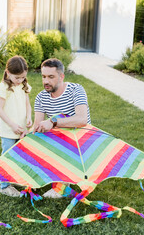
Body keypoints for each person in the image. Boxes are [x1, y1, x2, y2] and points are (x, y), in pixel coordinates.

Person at [33, 58, 91, 198]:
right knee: (34, 140)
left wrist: (53, 122)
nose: (46, 81)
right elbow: (37, 127)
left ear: (61, 77)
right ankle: (38, 176)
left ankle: (62, 186)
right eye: (43, 76)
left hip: (81, 139)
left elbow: (82, 119)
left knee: (61, 141)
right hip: (59, 138)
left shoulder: (76, 90)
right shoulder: (41, 97)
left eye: (51, 77)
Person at [0, 55, 32, 197]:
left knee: (21, 155)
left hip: (21, 128)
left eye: (23, 77)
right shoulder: (3, 87)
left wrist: (29, 117)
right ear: (8, 73)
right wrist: (12, 125)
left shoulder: (23, 85)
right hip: (9, 129)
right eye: (17, 78)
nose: (20, 80)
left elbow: (27, 104)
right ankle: (4, 186)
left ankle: (17, 180)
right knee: (7, 156)